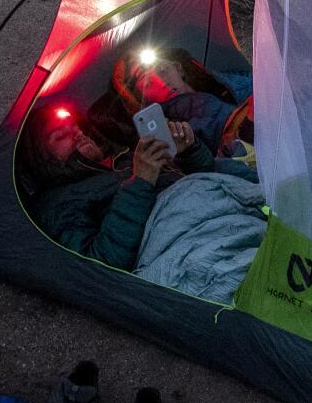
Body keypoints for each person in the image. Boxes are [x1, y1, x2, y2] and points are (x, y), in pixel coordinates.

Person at [26, 106, 252, 270]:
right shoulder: (58, 203)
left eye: (76, 127)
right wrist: (141, 182)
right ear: (44, 158)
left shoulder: (122, 159)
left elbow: (204, 175)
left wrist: (189, 151)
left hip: (216, 202)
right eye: (61, 136)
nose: (77, 134)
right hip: (187, 237)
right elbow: (101, 264)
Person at [113, 47, 245, 152]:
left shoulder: (230, 84)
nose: (158, 78)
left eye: (159, 66)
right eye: (145, 77)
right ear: (142, 99)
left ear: (178, 68)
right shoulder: (168, 138)